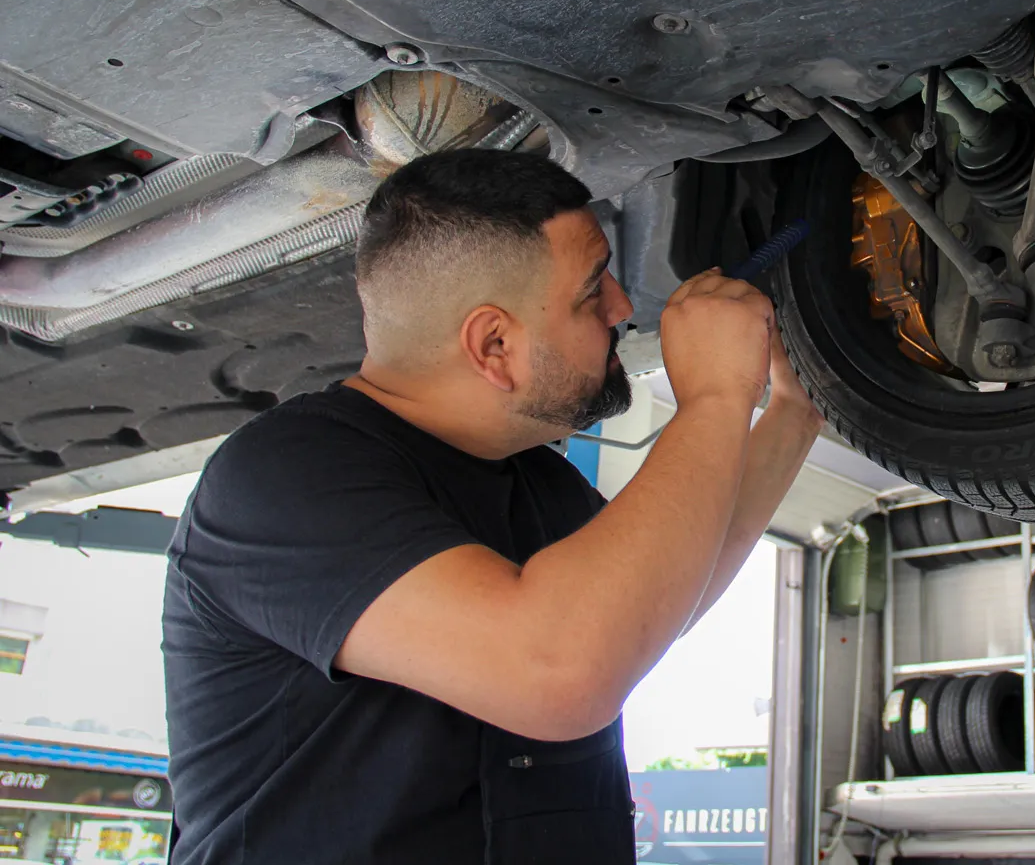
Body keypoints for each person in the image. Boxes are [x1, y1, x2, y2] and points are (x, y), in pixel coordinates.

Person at [161, 149, 823, 863]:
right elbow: (559, 671)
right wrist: (715, 396)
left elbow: (658, 599)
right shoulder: (287, 477)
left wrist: (792, 412)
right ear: (495, 345)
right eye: (591, 290)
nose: (623, 309)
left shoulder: (535, 482)